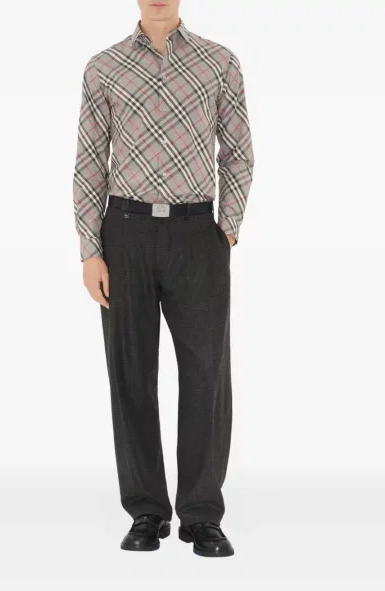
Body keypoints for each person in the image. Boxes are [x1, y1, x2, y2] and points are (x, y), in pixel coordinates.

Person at [72, 0, 254, 558]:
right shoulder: (103, 66)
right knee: (130, 373)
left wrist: (227, 229)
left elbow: (238, 152)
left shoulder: (219, 61)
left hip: (198, 232)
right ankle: (146, 512)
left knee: (206, 374)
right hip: (123, 233)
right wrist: (90, 249)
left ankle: (201, 515)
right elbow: (89, 161)